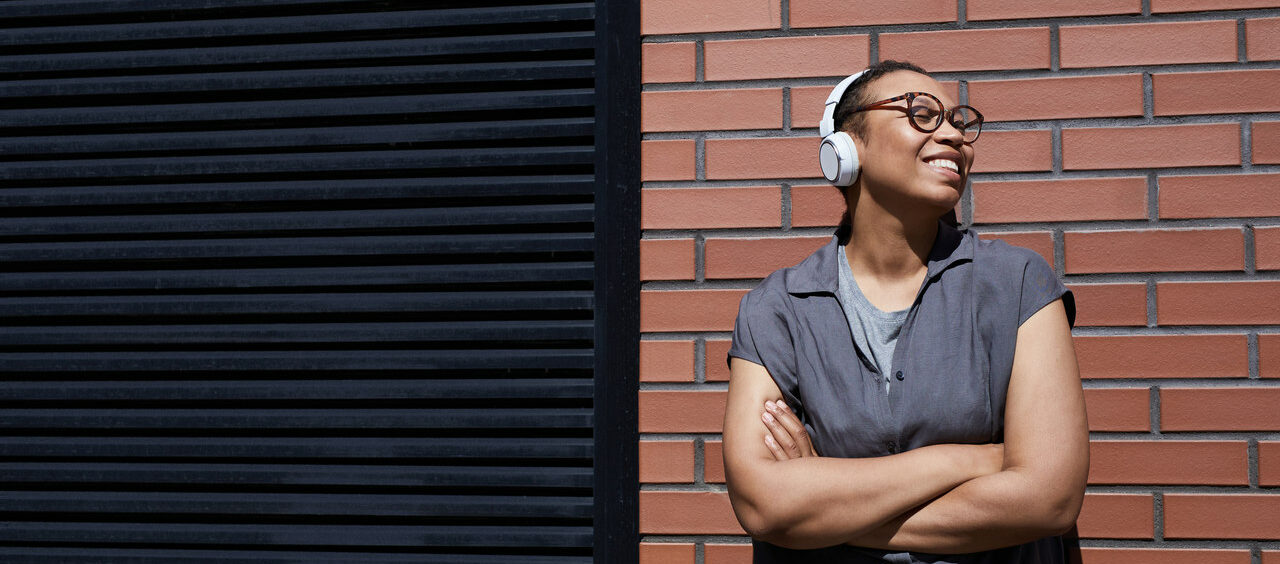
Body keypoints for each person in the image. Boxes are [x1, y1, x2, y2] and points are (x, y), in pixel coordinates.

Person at [722, 60, 1089, 563]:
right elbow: (764, 506)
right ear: (847, 151)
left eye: (959, 122)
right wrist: (972, 460)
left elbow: (1048, 500)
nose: (955, 136)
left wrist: (827, 511)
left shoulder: (1018, 283)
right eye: (921, 114)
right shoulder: (777, 310)